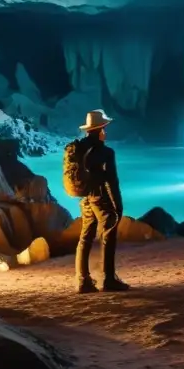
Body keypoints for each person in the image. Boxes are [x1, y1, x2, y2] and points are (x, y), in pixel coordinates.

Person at [63, 109, 130, 293]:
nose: (105, 132)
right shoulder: (106, 152)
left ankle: (82, 280)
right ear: (100, 129)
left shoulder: (79, 147)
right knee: (109, 232)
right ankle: (108, 279)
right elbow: (112, 180)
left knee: (86, 237)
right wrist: (118, 205)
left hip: (85, 197)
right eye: (104, 128)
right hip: (99, 196)